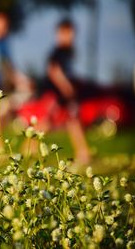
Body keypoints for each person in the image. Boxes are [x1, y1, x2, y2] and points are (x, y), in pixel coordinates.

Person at [46, 18, 90, 164]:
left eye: (72, 33)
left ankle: (83, 152)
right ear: (59, 34)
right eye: (66, 33)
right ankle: (30, 147)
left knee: (72, 121)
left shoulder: (68, 51)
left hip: (63, 94)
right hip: (59, 93)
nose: (70, 37)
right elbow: (53, 71)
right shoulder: (58, 51)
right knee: (48, 122)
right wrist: (66, 87)